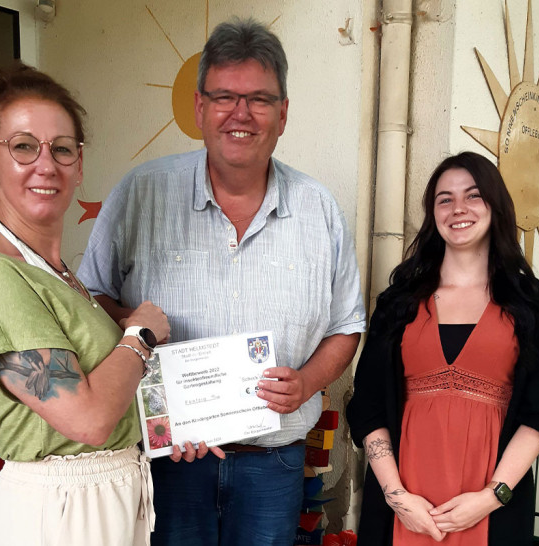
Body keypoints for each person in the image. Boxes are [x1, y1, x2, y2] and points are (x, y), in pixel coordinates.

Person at [78, 17, 366, 546]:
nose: (241, 114)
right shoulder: (142, 194)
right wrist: (135, 327)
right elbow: (90, 298)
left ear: (283, 113)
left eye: (259, 98)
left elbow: (347, 325)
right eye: (225, 96)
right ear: (199, 108)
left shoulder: (318, 209)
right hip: (168, 458)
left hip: (272, 463)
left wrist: (306, 382)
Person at [0, 64, 174, 546]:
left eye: (62, 148)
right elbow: (85, 419)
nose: (46, 164)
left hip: (110, 492)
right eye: (23, 146)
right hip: (61, 508)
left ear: (79, 164)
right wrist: (141, 334)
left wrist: (171, 426)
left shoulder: (61, 275)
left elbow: (111, 396)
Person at [346, 151, 539, 546]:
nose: (458, 209)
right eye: (444, 199)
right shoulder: (399, 301)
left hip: (489, 508)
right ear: (433, 213)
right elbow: (368, 407)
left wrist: (492, 496)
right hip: (405, 508)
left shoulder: (532, 301)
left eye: (473, 195)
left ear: (495, 205)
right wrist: (397, 498)